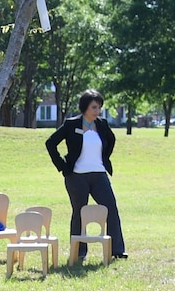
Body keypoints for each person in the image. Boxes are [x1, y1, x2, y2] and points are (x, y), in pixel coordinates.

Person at [44, 88, 129, 262]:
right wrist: (62, 166)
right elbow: (50, 143)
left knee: (110, 208)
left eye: (99, 108)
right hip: (76, 177)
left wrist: (104, 158)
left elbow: (111, 141)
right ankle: (79, 252)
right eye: (94, 108)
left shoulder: (102, 125)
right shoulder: (71, 124)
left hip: (99, 175)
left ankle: (117, 250)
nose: (98, 111)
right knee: (79, 213)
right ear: (85, 108)